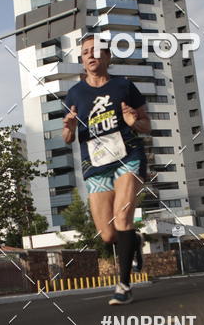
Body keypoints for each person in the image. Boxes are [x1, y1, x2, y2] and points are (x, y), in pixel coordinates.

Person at [62, 34, 150, 305]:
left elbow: (147, 125)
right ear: (82, 60)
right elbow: (66, 138)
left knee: (123, 220)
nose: (90, 55)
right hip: (96, 164)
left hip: (128, 156)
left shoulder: (124, 86)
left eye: (96, 51)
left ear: (107, 57)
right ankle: (133, 242)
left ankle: (123, 286)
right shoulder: (75, 93)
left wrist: (133, 121)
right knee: (109, 234)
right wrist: (69, 127)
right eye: (85, 52)